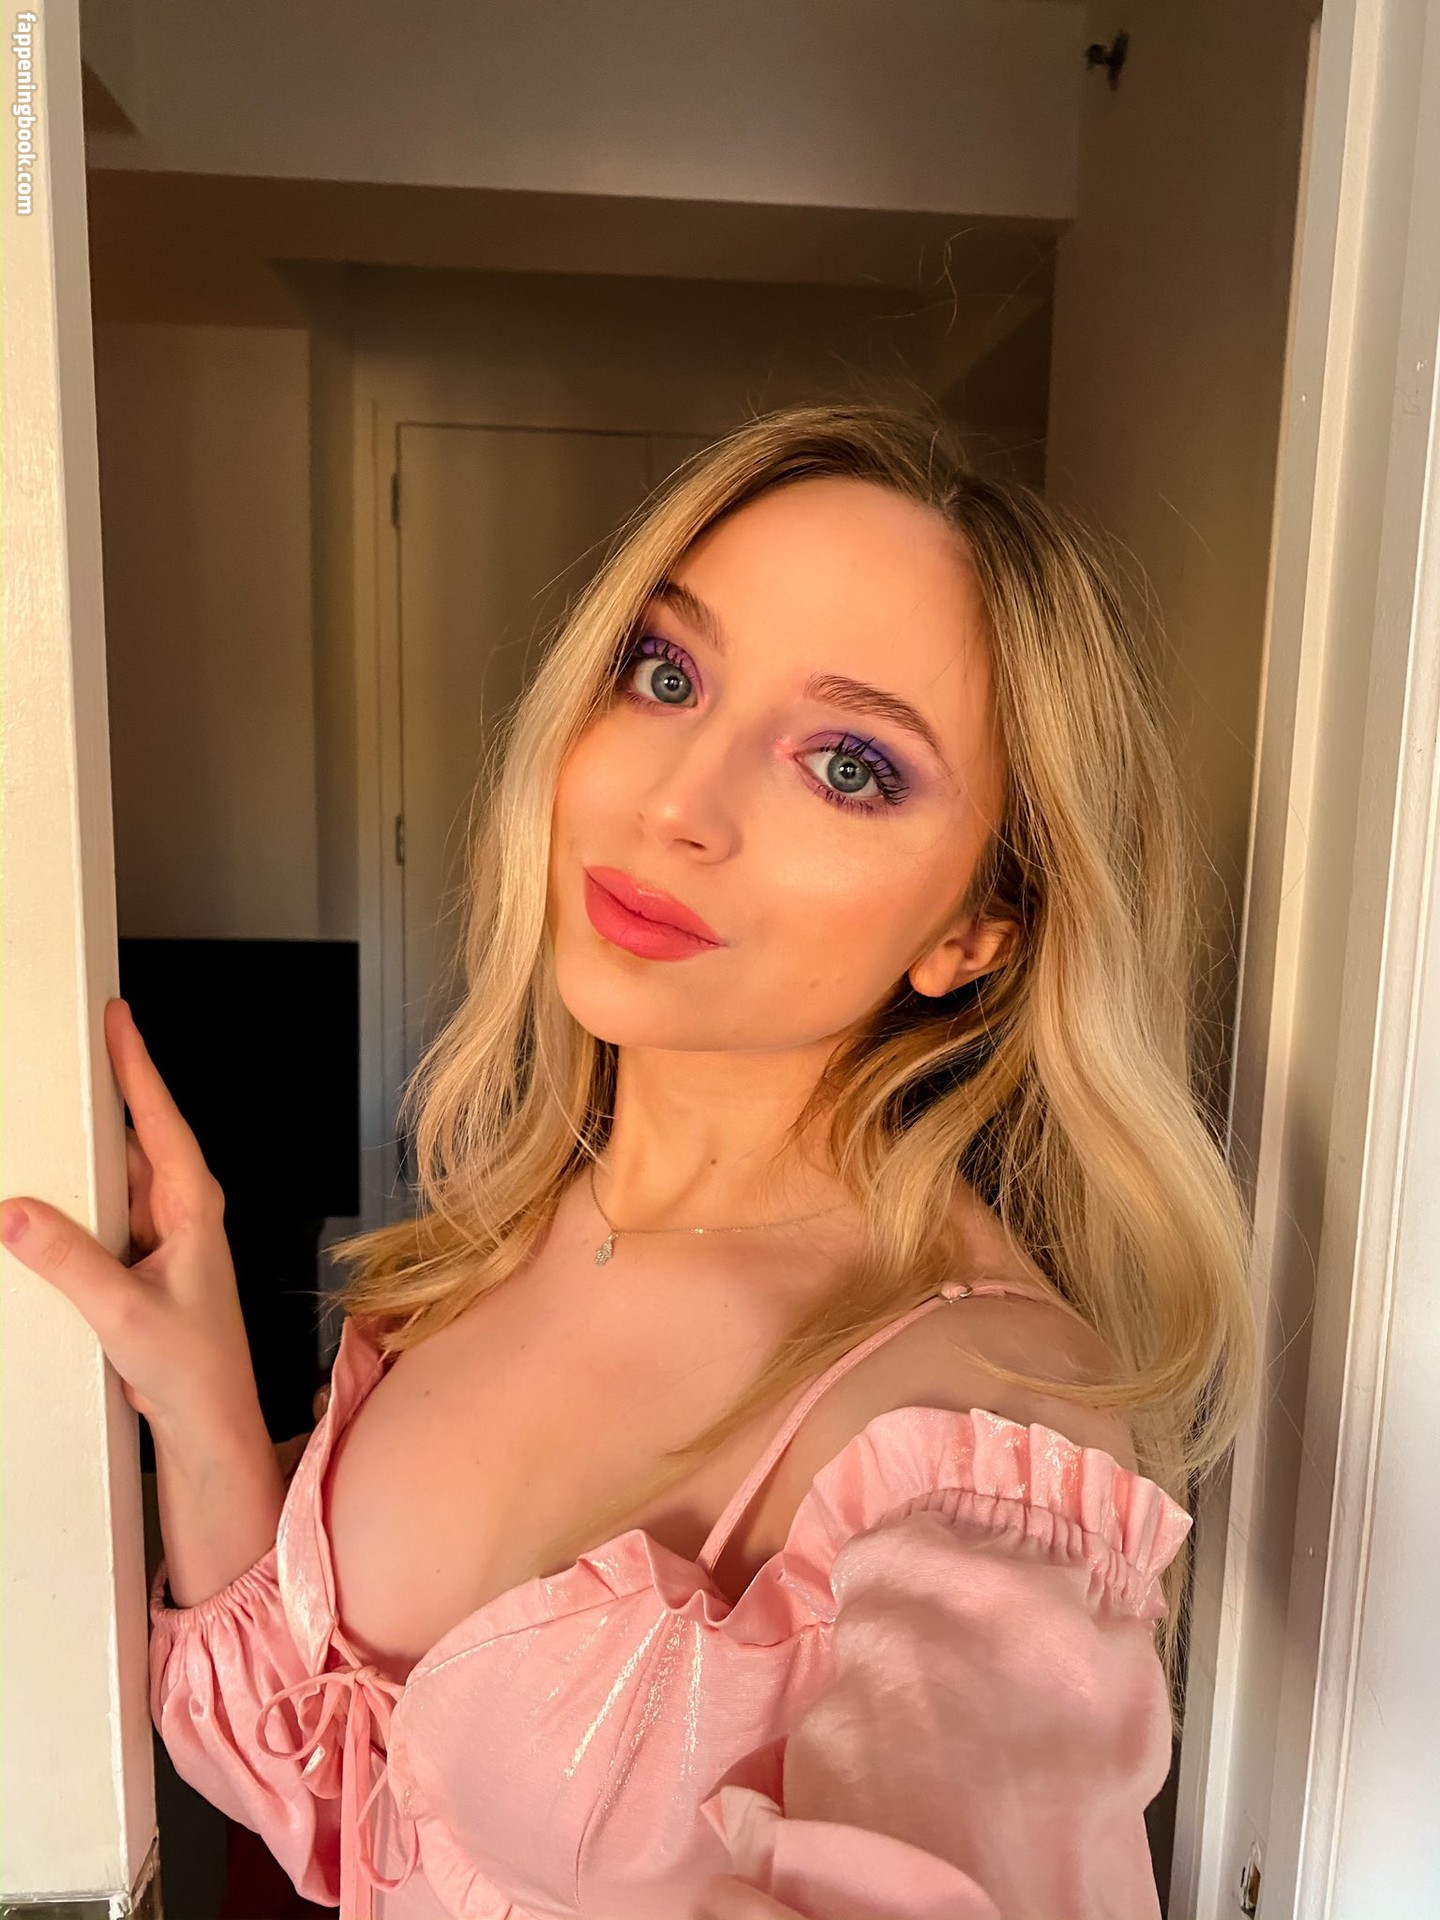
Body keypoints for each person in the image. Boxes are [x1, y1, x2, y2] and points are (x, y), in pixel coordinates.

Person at [2, 403, 1257, 1919]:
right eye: (666, 674)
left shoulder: (977, 1427)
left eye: (848, 765)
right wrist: (204, 1409)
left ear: (976, 930)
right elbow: (334, 1791)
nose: (674, 802)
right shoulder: (505, 1231)